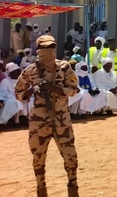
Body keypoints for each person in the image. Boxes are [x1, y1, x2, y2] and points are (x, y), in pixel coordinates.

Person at [13, 35, 81, 197]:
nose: (48, 51)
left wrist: (54, 88)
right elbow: (18, 93)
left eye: (51, 47)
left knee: (70, 156)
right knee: (38, 157)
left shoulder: (64, 67)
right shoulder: (30, 70)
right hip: (39, 122)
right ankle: (41, 189)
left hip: (61, 120)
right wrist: (32, 90)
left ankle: (73, 187)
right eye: (44, 48)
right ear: (38, 50)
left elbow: (74, 89)